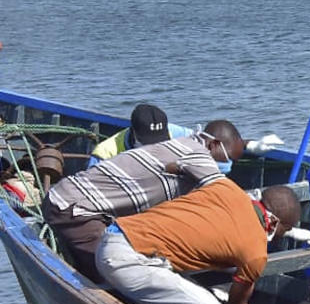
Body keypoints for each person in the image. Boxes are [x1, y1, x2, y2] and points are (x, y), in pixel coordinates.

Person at [95, 180, 300, 304]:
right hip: (129, 262)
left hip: (113, 236)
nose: (280, 237)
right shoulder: (256, 252)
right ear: (273, 224)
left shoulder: (226, 187)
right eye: (285, 230)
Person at [42, 120, 244, 282]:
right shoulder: (199, 156)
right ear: (213, 145)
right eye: (229, 160)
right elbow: (224, 194)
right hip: (71, 208)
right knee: (118, 269)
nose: (228, 166)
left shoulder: (184, 141)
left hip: (91, 205)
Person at [88, 104, 282, 171]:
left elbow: (214, 146)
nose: (156, 148)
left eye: (161, 142)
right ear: (134, 135)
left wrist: (248, 145)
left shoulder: (174, 133)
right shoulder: (104, 155)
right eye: (149, 144)